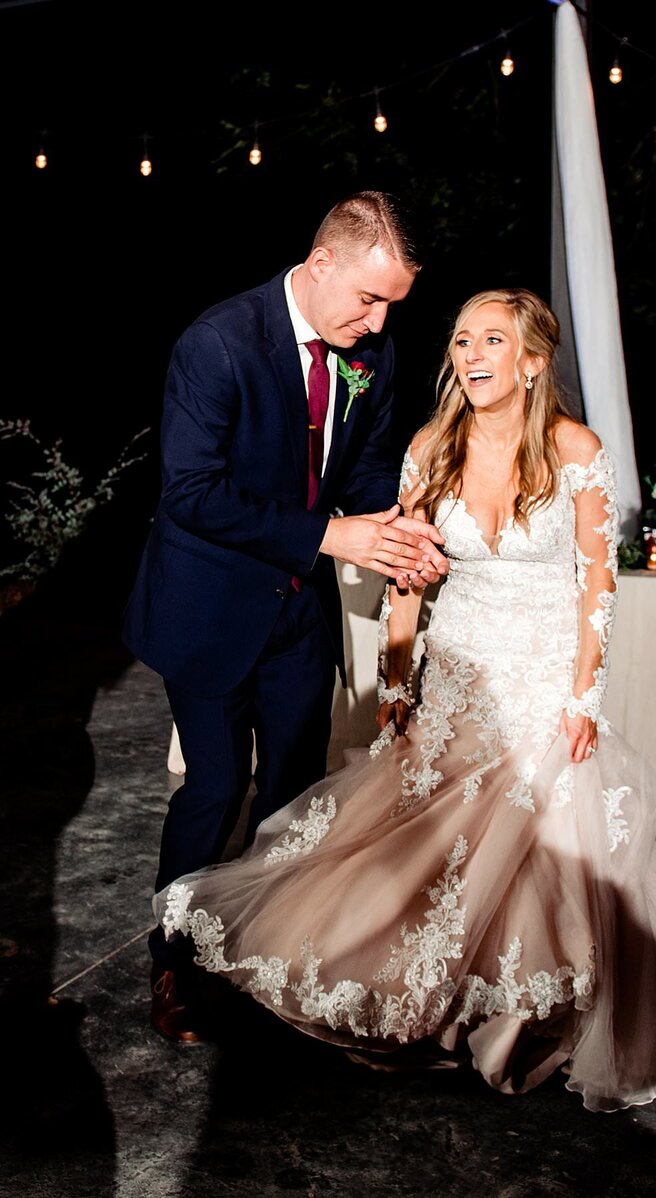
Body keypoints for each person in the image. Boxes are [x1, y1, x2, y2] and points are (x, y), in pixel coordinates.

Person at [153, 287, 656, 1110]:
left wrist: (584, 697)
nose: (472, 356)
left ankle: (517, 1017)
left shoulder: (574, 448)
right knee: (430, 859)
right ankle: (425, 1005)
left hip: (542, 681)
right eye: (462, 341)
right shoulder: (431, 447)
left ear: (533, 361)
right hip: (456, 677)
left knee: (531, 862)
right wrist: (398, 678)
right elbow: (406, 576)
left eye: (492, 341)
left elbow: (597, 585)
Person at [122, 191, 449, 1043]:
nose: (378, 324)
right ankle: (175, 965)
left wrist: (395, 526)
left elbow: (368, 467)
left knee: (296, 791)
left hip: (298, 615)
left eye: (392, 307)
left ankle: (273, 954)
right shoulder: (218, 343)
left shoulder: (367, 352)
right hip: (208, 608)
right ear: (322, 263)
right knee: (217, 789)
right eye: (369, 299)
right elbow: (191, 495)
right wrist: (332, 535)